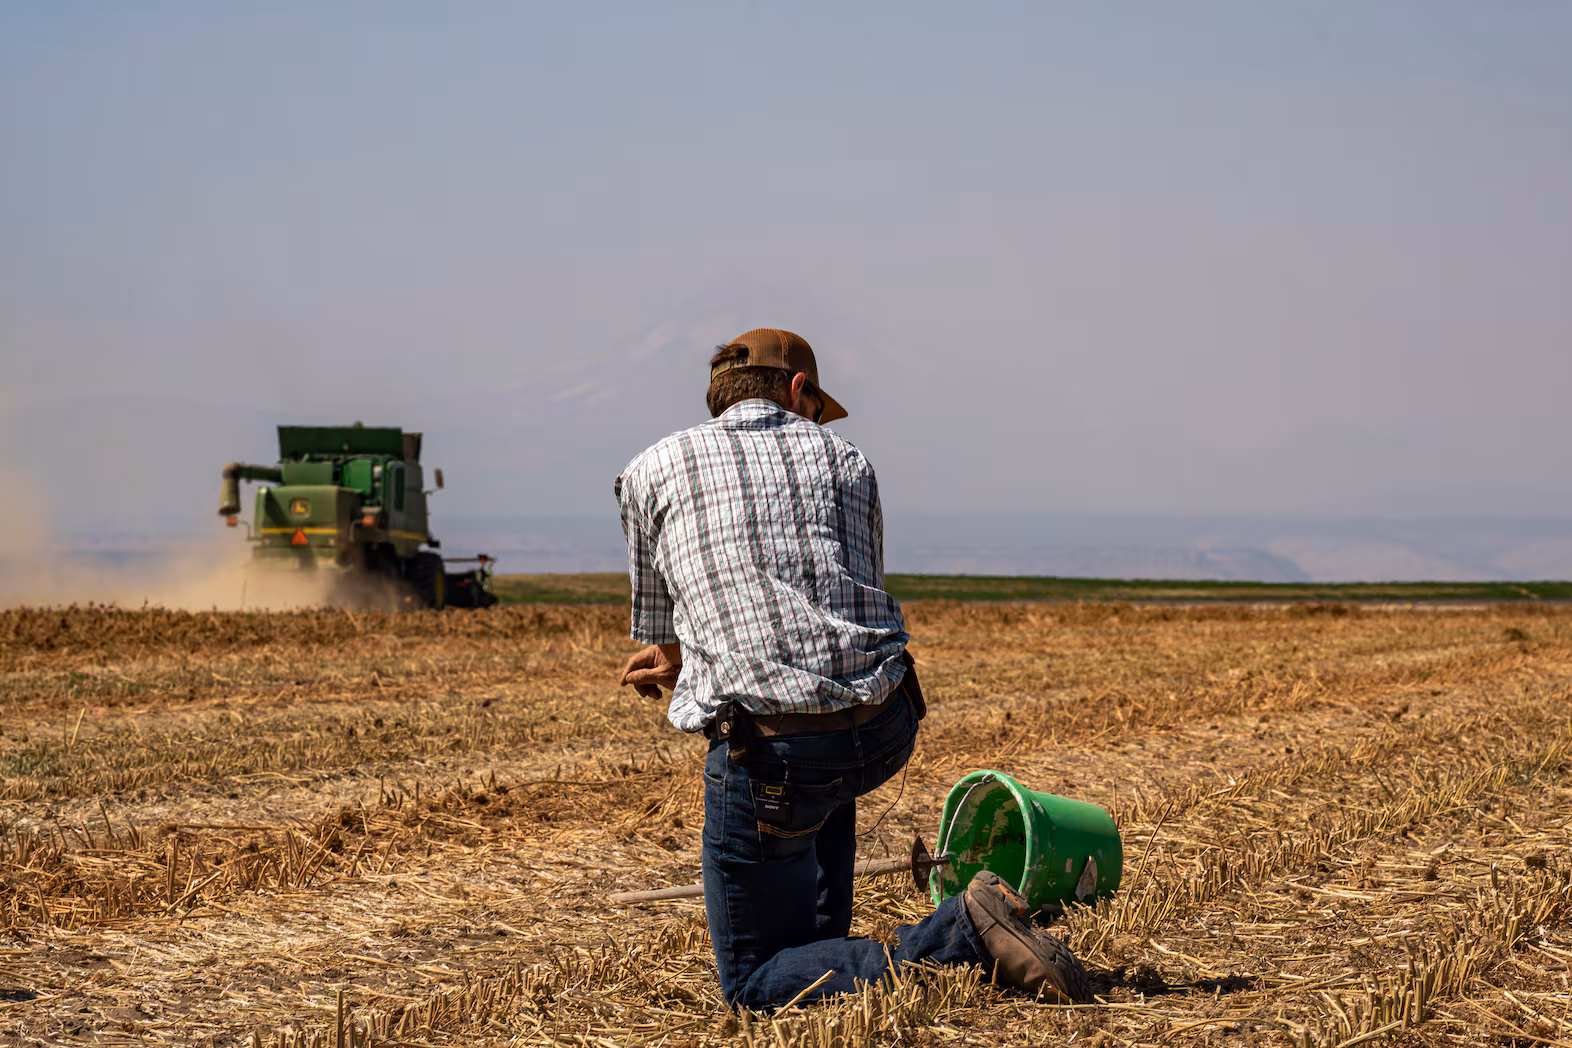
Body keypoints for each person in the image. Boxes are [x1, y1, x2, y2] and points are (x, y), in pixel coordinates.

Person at [614, 328, 1090, 1010]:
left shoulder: (646, 471)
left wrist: (675, 663)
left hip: (778, 755)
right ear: (800, 391)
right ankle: (830, 945)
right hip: (884, 724)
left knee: (752, 983)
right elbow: (839, 609)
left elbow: (664, 639)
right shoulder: (849, 461)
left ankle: (960, 934)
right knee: (821, 761)